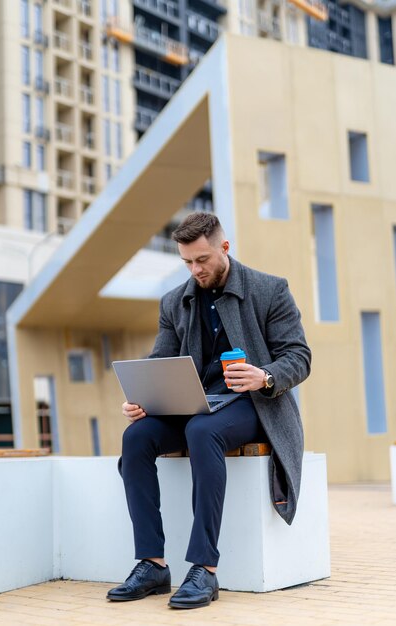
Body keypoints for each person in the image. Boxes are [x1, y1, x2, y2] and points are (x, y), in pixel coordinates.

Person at [107, 212, 311, 609]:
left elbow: (299, 356)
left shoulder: (270, 290)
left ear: (224, 248)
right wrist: (142, 400)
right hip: (195, 404)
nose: (195, 269)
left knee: (203, 431)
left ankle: (205, 569)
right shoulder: (174, 302)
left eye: (202, 260)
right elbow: (161, 361)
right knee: (136, 437)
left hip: (254, 405)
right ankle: (152, 564)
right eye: (187, 262)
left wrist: (264, 376)